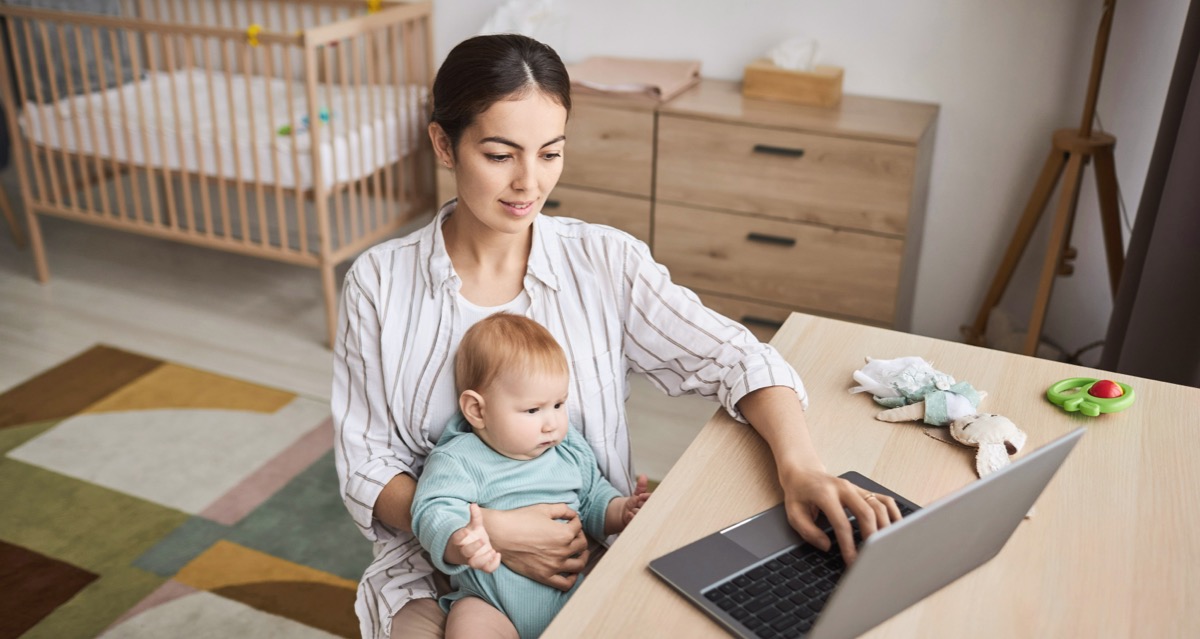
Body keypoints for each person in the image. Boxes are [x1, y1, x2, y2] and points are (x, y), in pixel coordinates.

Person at [331, 33, 904, 639]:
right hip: (435, 573)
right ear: (444, 144)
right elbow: (367, 464)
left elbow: (738, 359)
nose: (529, 183)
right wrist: (492, 530)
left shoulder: (605, 262)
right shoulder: (379, 284)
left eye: (550, 153)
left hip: (588, 556)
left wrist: (802, 468)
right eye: (500, 155)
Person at [410, 312, 651, 639]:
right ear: (478, 410)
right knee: (469, 627)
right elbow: (432, 511)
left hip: (570, 594)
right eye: (533, 410)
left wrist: (621, 511)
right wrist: (460, 542)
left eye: (558, 404)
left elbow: (593, 498)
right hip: (491, 603)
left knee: (627, 615)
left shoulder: (567, 447)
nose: (551, 422)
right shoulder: (459, 458)